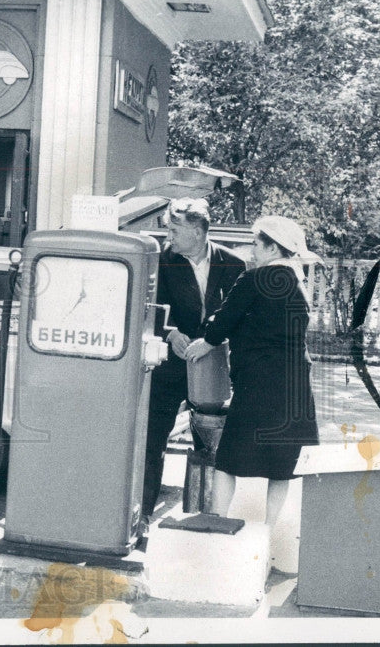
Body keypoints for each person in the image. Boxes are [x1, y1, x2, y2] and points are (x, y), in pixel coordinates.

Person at [184, 215, 321, 526]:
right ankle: (270, 535)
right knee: (281, 466)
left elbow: (222, 323)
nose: (251, 251)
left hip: (258, 384)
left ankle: (217, 521)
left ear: (273, 248)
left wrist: (205, 343)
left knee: (228, 459)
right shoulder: (297, 285)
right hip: (295, 388)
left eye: (256, 244)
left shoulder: (254, 280)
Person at [142, 198, 246, 522]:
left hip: (211, 368)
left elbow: (238, 315)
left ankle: (205, 516)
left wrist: (212, 342)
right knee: (152, 440)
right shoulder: (161, 259)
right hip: (170, 365)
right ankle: (142, 516)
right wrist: (171, 335)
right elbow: (149, 308)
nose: (168, 235)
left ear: (199, 231)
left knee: (210, 443)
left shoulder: (233, 264)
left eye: (175, 229)